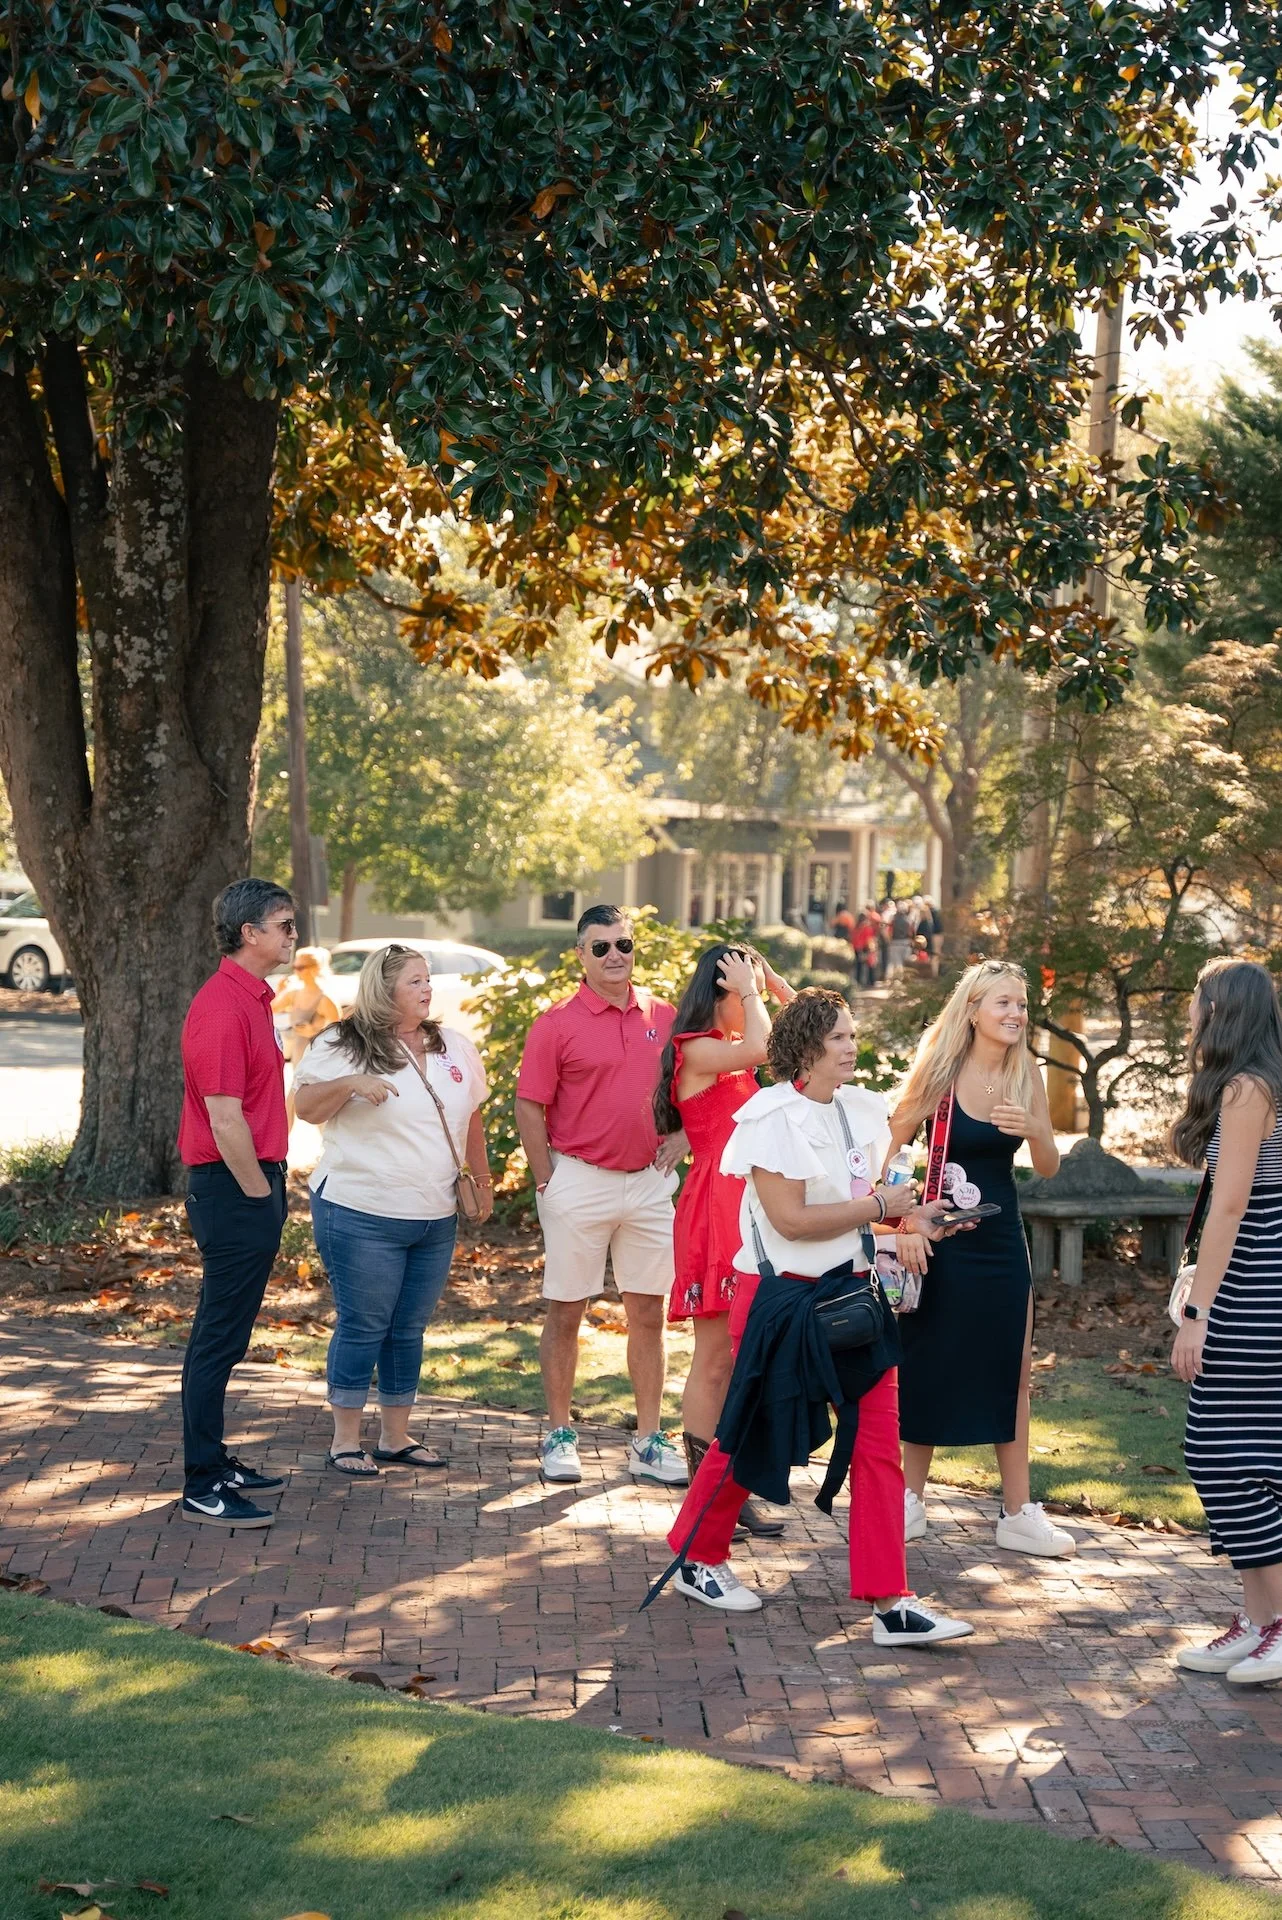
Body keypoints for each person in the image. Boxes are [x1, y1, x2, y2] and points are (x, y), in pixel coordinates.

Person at [661, 989, 973, 1647]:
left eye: (853, 1035)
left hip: (854, 1298)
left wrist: (911, 1219)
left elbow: (863, 1204)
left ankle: (892, 1602)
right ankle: (696, 1556)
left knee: (879, 1448)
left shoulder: (859, 1110)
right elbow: (792, 1222)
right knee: (747, 1438)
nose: (852, 1046)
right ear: (807, 1048)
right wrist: (877, 1208)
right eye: (839, 1037)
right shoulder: (770, 1117)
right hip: (781, 1305)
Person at [886, 960, 1070, 1557]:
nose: (1016, 1013)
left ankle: (1017, 1512)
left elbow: (1047, 1165)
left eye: (1021, 1003)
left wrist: (1035, 1131)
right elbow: (892, 1148)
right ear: (972, 1010)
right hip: (940, 1243)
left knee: (1011, 1371)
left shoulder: (1025, 1073)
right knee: (927, 1360)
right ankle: (908, 1502)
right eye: (1003, 1003)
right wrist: (906, 1219)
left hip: (999, 1245)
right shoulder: (940, 1071)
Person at [294, 943, 492, 1476]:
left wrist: (483, 1179)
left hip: (433, 1214)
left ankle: (396, 1437)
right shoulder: (342, 1043)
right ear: (383, 990)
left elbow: (471, 1116)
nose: (427, 989)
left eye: (427, 980)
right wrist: (350, 1083)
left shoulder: (453, 1045)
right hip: (361, 1211)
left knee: (408, 1327)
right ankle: (344, 1441)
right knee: (364, 1324)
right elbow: (307, 1107)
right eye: (414, 982)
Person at [516, 905, 687, 1488]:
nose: (615, 955)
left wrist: (685, 1136)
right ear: (581, 956)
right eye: (601, 947)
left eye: (624, 944)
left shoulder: (664, 1016)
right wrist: (547, 1179)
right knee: (568, 1311)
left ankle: (647, 1439)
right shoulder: (556, 1022)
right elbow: (529, 1104)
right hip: (577, 1181)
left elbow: (701, 1085)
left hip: (648, 1182)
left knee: (649, 1314)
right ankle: (560, 1433)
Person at [654, 943, 795, 1534]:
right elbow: (767, 1046)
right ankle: (706, 1493)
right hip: (718, 1211)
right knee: (715, 1358)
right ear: (721, 996)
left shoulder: (729, 1054)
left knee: (744, 1357)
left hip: (750, 1208)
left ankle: (729, 1487)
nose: (751, 1002)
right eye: (740, 991)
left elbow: (791, 1038)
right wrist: (752, 991)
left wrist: (767, 980)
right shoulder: (697, 1050)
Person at [1172, 960, 1282, 1683]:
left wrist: (1198, 1313)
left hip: (1254, 1282)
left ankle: (1276, 1622)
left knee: (1222, 1450)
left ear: (1224, 1011)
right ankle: (1256, 1619)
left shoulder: (1248, 1089)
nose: (1191, 1017)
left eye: (1198, 1004)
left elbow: (1233, 1207)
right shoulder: (1258, 1082)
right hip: (1259, 1274)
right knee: (1247, 1450)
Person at [178, 878, 297, 1527]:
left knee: (227, 1336)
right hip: (233, 1186)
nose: (291, 935)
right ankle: (202, 1482)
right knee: (217, 1338)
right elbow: (225, 1120)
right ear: (249, 933)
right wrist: (258, 1193)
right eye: (283, 924)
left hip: (252, 1183)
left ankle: (215, 1460)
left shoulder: (252, 1000)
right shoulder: (223, 1006)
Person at [272, 947, 339, 1126]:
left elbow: (338, 1029)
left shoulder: (324, 997)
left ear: (314, 968)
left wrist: (314, 1029)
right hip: (299, 1050)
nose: (296, 971)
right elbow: (271, 1008)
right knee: (295, 1094)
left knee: (312, 1096)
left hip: (318, 1052)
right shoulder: (294, 993)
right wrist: (280, 991)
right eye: (295, 966)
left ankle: (323, 1139)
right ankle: (284, 1140)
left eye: (301, 967)